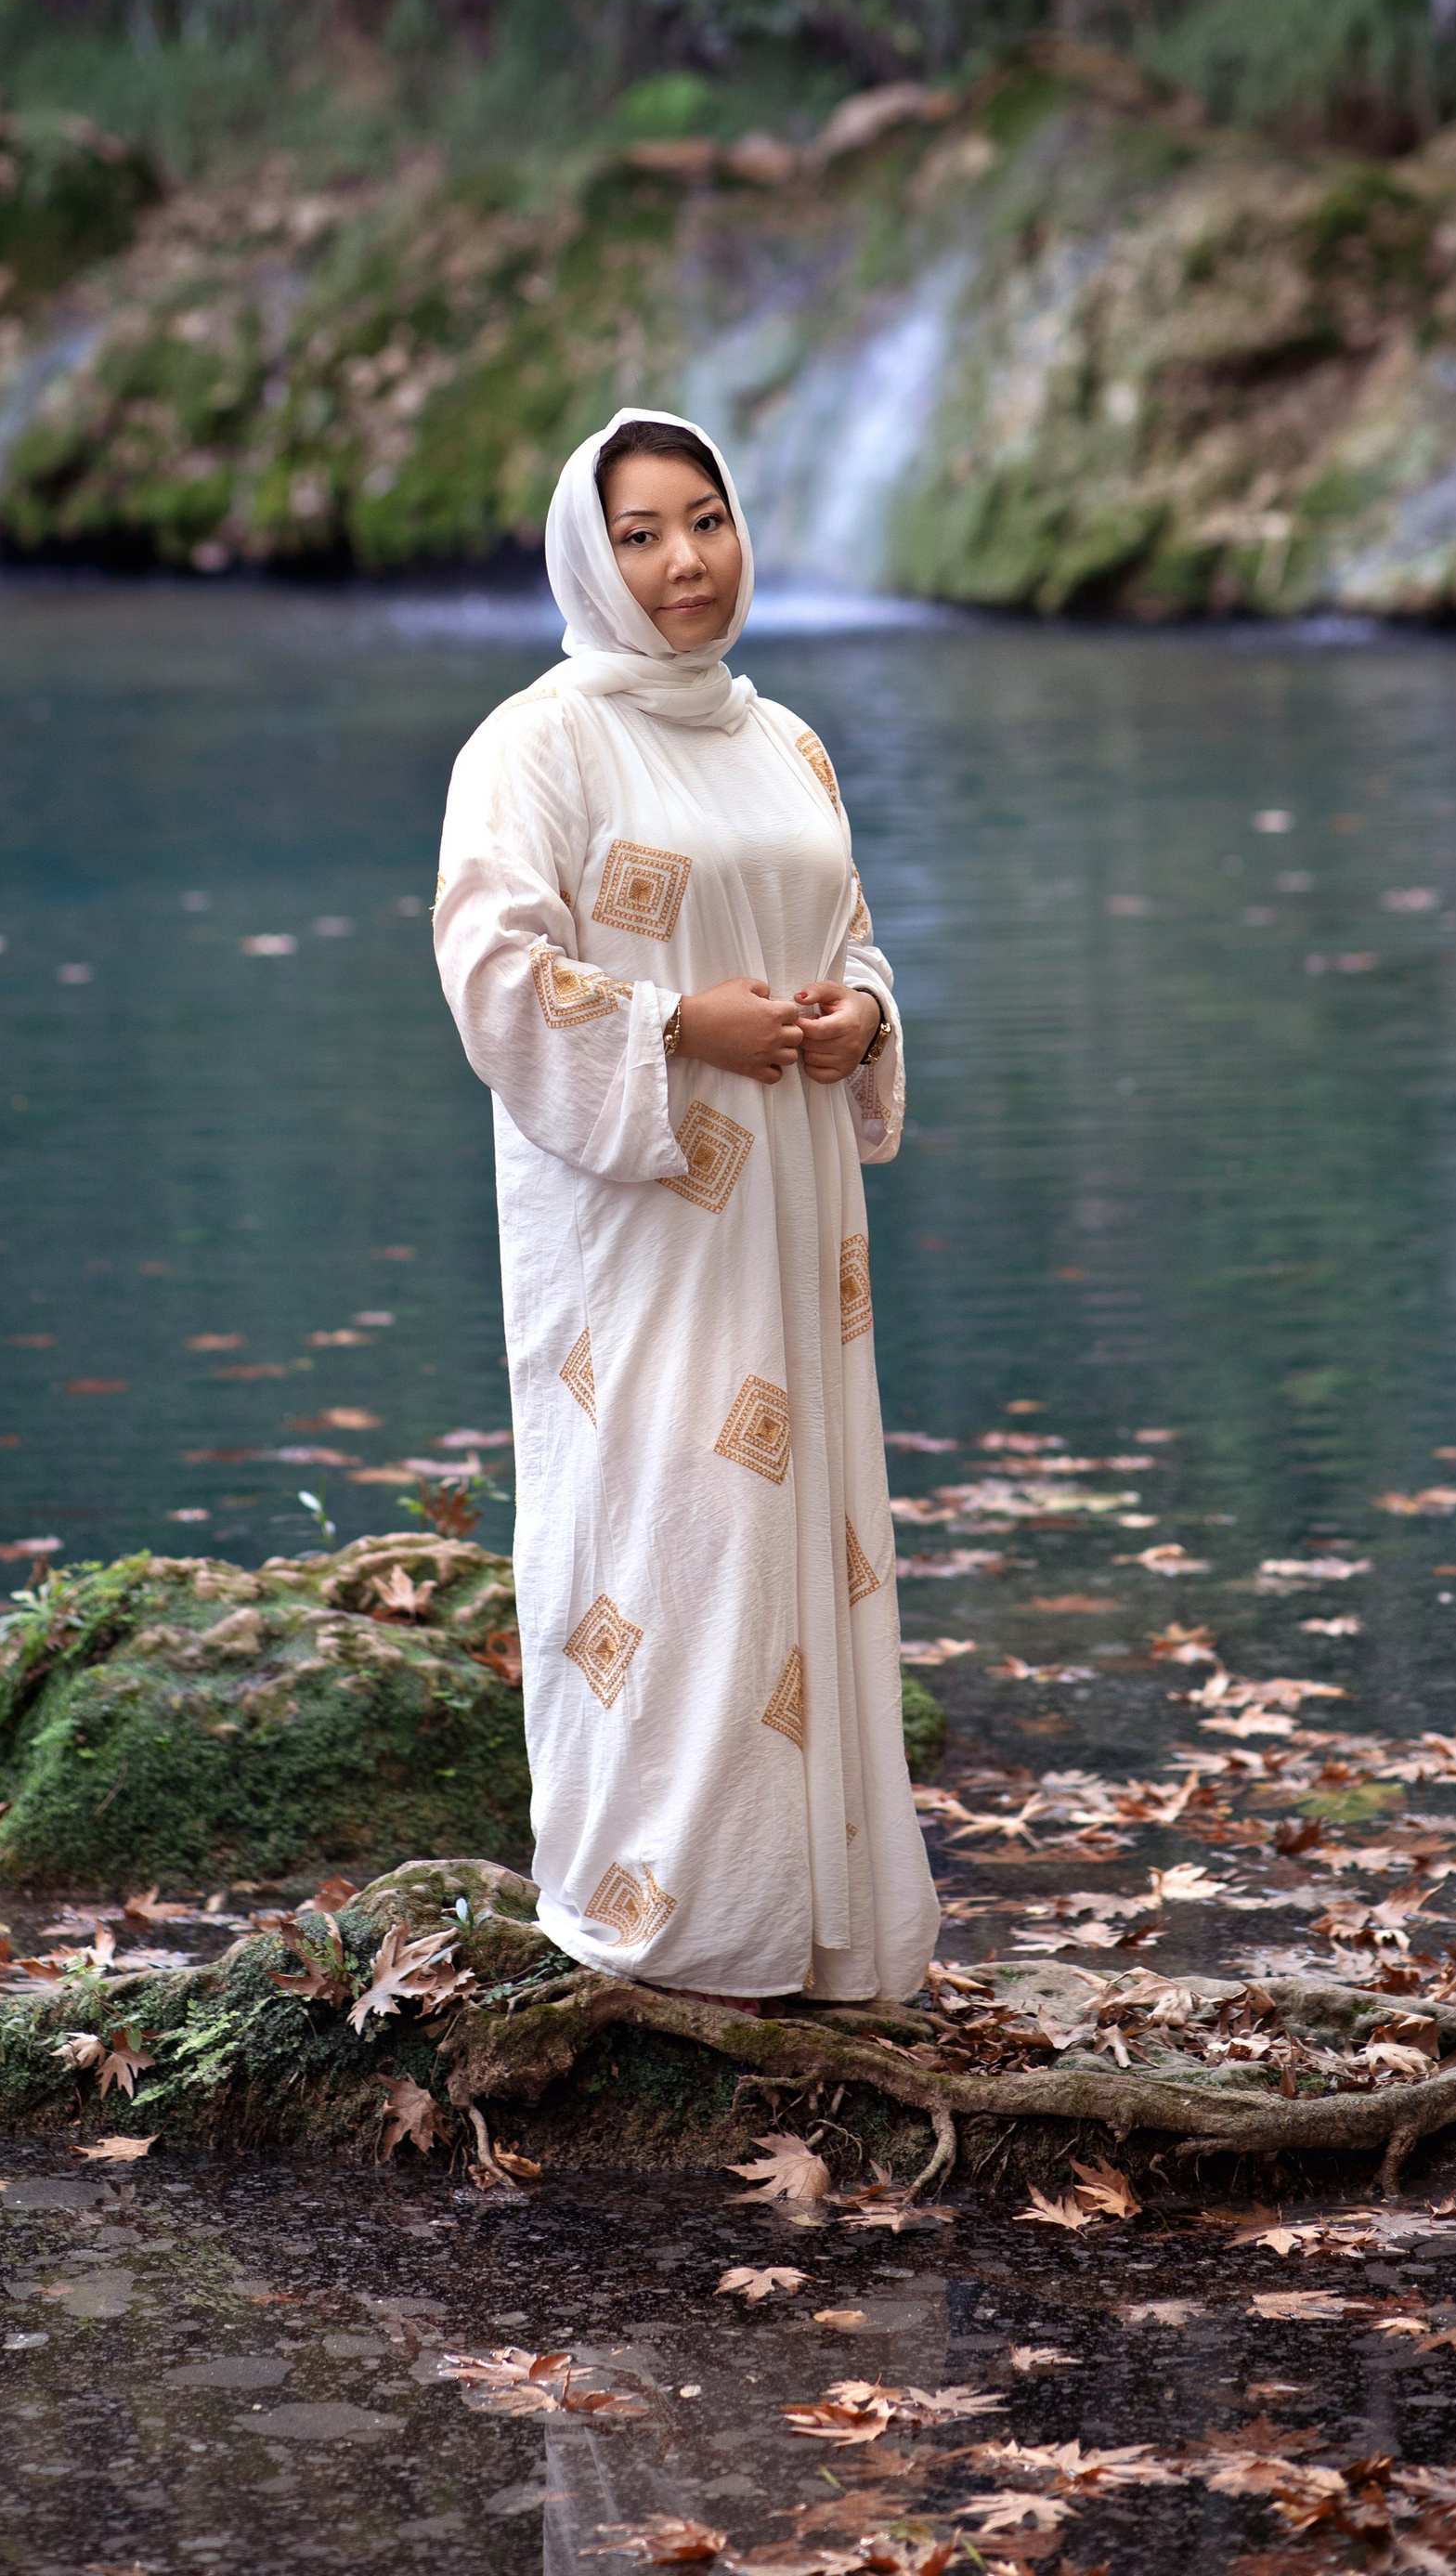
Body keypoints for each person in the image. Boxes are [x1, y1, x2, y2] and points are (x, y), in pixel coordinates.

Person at [432, 405, 940, 2004]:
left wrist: (863, 1017)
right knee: (670, 1548)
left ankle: (819, 1932)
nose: (684, 561)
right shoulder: (536, 744)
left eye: (705, 520)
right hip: (641, 1218)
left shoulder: (785, 741)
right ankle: (663, 1921)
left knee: (803, 1540)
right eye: (640, 534)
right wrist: (673, 1028)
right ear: (591, 558)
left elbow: (848, 933)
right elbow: (491, 971)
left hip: (792, 1212)